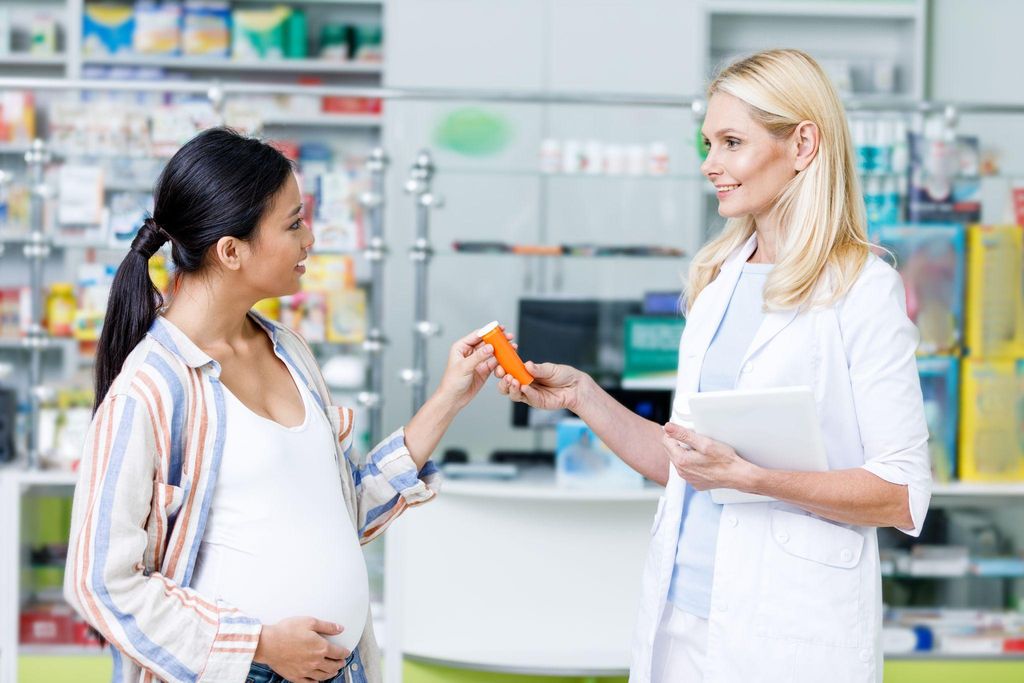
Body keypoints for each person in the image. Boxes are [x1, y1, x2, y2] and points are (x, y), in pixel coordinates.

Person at [497, 49, 931, 683]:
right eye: (708, 143)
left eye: (731, 142)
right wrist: (582, 396)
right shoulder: (718, 279)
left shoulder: (862, 287)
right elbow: (687, 465)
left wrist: (755, 478)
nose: (710, 165)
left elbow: (900, 494)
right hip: (680, 617)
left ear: (803, 143)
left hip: (786, 629)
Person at [64, 127, 504, 683]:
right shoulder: (151, 388)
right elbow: (100, 581)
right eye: (293, 223)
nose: (310, 239)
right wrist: (260, 646)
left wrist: (449, 398)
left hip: (340, 671)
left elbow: (343, 510)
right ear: (231, 251)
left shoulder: (289, 351)